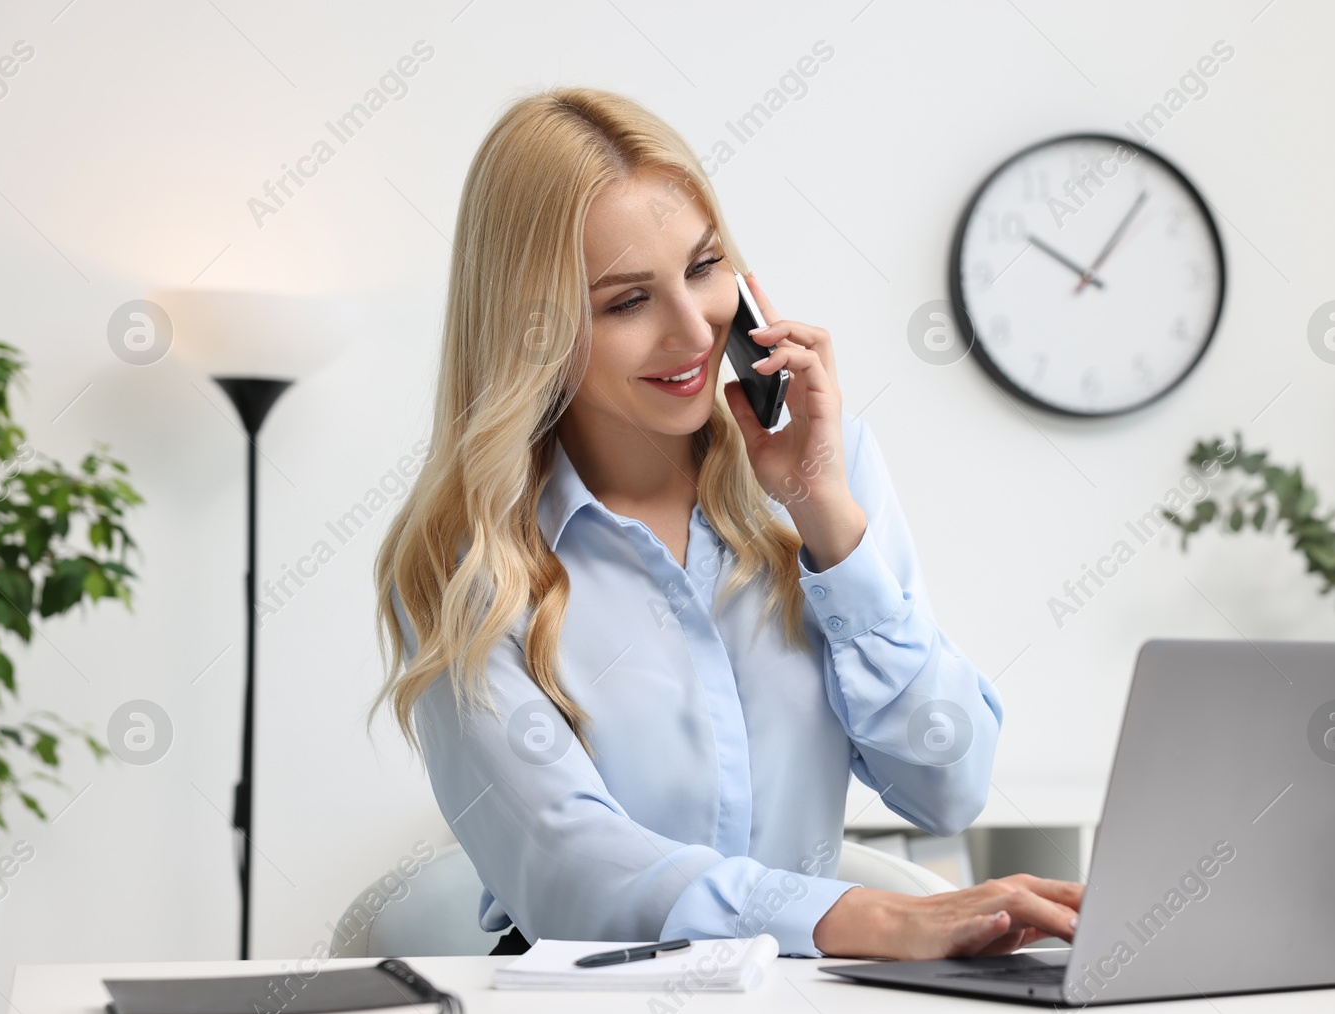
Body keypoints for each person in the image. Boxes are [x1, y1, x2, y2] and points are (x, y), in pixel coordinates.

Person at [371, 86, 1082, 959]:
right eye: (627, 301)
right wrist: (861, 916)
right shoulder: (467, 560)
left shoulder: (830, 472)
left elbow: (949, 784)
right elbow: (573, 872)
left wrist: (824, 515)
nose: (694, 330)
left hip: (806, 1012)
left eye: (705, 268)